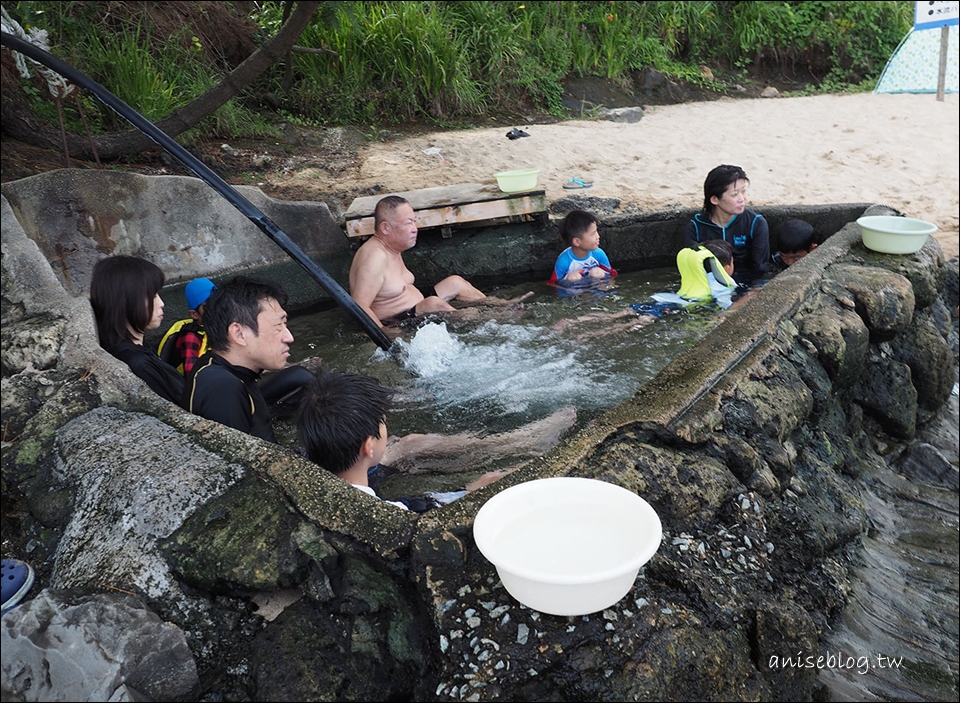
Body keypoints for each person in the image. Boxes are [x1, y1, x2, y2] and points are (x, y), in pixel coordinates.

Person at [297, 370, 577, 511]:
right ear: (368, 446)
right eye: (382, 427)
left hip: (351, 468)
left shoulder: (304, 472)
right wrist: (470, 491)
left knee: (409, 442)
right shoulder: (383, 514)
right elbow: (419, 514)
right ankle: (525, 443)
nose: (387, 430)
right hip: (405, 495)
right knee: (495, 479)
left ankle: (521, 440)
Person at [348, 195, 532, 327]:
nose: (415, 229)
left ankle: (500, 305)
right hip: (396, 320)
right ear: (385, 228)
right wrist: (387, 337)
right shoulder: (375, 257)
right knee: (434, 303)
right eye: (408, 223)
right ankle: (493, 322)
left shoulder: (392, 247)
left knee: (455, 282)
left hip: (415, 306)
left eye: (414, 221)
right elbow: (359, 307)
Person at [183, 276, 312, 442]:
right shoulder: (221, 389)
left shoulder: (222, 369)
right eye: (278, 326)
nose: (289, 337)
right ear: (239, 333)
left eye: (285, 324)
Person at [89, 255, 185, 404]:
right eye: (153, 296)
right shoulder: (138, 365)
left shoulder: (138, 349)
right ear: (127, 302)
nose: (161, 303)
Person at [684, 164, 771, 286]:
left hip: (745, 285)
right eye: (735, 194)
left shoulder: (755, 223)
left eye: (743, 191)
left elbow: (760, 269)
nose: (742, 199)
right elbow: (691, 268)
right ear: (715, 199)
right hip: (708, 285)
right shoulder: (696, 227)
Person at [157, 277, 217, 375]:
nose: (216, 309)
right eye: (208, 306)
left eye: (218, 302)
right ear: (194, 314)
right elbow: (192, 373)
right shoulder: (190, 336)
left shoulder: (222, 325)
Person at [549, 209, 617, 285]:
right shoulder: (564, 261)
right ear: (577, 242)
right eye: (593, 233)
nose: (598, 236)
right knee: (574, 278)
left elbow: (611, 273)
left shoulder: (598, 253)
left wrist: (610, 285)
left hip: (595, 288)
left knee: (597, 273)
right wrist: (567, 282)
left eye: (597, 231)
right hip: (576, 291)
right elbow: (553, 283)